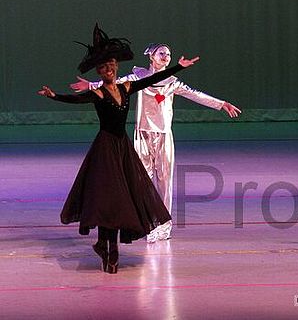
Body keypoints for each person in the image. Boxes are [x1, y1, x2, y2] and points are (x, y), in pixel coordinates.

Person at [38, 24, 199, 273]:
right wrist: (54, 96)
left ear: (116, 69)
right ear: (101, 72)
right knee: (108, 198)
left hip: (123, 149)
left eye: (112, 67)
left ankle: (106, 245)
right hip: (105, 150)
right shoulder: (99, 93)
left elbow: (153, 78)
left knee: (122, 198)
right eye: (104, 68)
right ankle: (109, 249)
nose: (109, 71)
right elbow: (76, 99)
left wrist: (180, 67)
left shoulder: (126, 88)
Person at [70, 43, 241, 243]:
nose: (166, 56)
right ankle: (145, 221)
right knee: (141, 180)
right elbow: (112, 85)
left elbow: (196, 94)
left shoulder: (172, 82)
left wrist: (222, 104)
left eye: (168, 54)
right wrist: (90, 85)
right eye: (162, 53)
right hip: (142, 134)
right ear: (151, 56)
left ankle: (164, 226)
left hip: (163, 136)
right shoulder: (137, 78)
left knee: (164, 180)